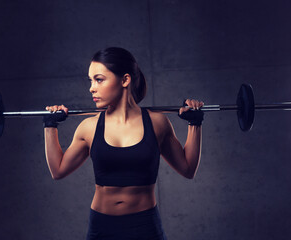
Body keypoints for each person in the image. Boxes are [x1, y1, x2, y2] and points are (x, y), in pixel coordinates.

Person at [43, 47, 204, 240]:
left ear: (125, 80)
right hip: (102, 227)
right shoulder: (89, 127)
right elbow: (58, 171)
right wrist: (50, 125)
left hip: (144, 226)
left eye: (99, 79)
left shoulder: (157, 123)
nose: (91, 88)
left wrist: (195, 123)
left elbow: (188, 169)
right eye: (91, 80)